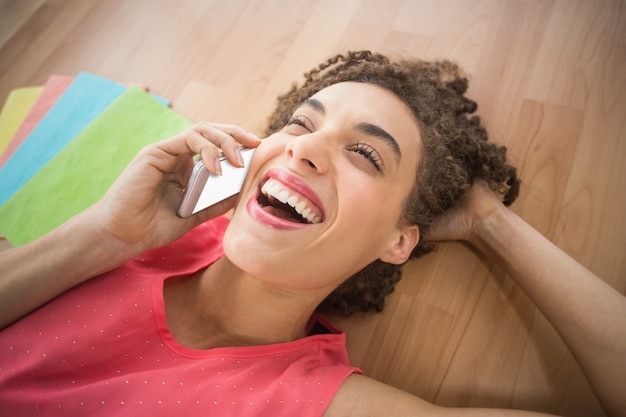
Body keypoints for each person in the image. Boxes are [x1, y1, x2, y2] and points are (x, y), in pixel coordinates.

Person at [0, 50, 624, 417]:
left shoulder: (311, 402)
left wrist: (493, 223)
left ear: (399, 240)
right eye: (301, 124)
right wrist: (102, 239)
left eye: (367, 156)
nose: (306, 152)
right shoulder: (118, 240)